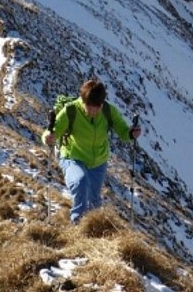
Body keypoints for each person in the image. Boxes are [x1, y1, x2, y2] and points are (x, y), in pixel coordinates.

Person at [43, 79, 142, 223]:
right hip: (72, 157)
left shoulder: (109, 111)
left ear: (102, 104)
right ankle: (77, 227)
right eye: (89, 106)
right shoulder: (71, 111)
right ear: (82, 100)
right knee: (80, 182)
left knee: (94, 203)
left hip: (98, 163)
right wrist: (48, 138)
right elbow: (52, 131)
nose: (93, 111)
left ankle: (92, 231)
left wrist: (132, 133)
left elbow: (124, 132)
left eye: (97, 107)